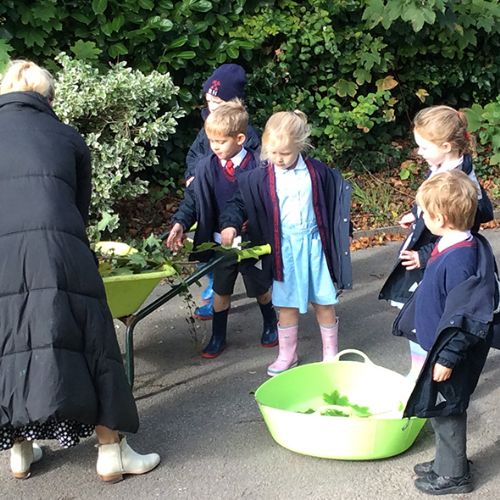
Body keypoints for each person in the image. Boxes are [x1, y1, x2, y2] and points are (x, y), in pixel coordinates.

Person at [0, 60, 160, 482]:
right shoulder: (66, 137)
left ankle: (19, 450)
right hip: (59, 248)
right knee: (91, 342)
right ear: (47, 99)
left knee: (10, 344)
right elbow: (79, 207)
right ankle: (112, 452)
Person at [220, 110, 352, 376]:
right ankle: (287, 354)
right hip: (284, 250)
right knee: (286, 305)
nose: (278, 159)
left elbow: (336, 204)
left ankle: (330, 354)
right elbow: (238, 202)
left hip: (315, 247)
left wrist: (346, 230)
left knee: (324, 302)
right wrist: (230, 224)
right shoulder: (259, 177)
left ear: (301, 146)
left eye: (285, 154)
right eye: (273, 153)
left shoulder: (317, 172)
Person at [393, 170, 499, 495]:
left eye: (424, 213)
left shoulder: (460, 263)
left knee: (447, 411)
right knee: (442, 409)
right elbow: (440, 259)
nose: (422, 217)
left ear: (440, 218)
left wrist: (447, 358)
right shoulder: (462, 240)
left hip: (450, 352)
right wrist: (424, 258)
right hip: (441, 345)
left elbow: (466, 317)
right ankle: (445, 463)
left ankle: (454, 475)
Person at [379, 105, 493, 380]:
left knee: (427, 313)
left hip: (435, 259)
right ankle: (421, 366)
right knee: (419, 311)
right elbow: (433, 203)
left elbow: (462, 228)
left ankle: (427, 368)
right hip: (430, 255)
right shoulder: (443, 167)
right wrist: (416, 213)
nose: (419, 152)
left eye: (424, 147)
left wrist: (425, 254)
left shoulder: (459, 181)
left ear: (445, 145)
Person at [166, 99, 278, 358]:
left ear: (239, 138)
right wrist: (180, 223)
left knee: (260, 288)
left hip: (252, 241)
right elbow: (192, 199)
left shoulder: (257, 167)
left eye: (220, 142)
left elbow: (248, 202)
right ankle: (218, 336)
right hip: (219, 242)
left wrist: (235, 226)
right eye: (211, 141)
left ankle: (270, 324)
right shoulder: (206, 167)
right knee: (221, 291)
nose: (214, 147)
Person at [185, 64, 261, 321]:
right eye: (208, 101)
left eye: (217, 102)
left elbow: (254, 168)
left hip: (242, 215)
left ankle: (268, 309)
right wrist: (194, 176)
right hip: (212, 203)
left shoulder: (247, 136)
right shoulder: (206, 129)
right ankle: (213, 285)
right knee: (211, 250)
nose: (211, 107)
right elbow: (195, 156)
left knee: (253, 272)